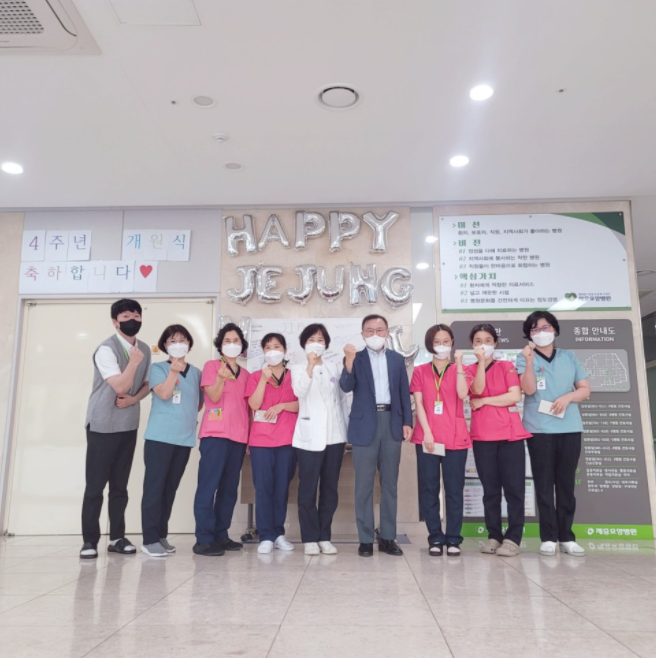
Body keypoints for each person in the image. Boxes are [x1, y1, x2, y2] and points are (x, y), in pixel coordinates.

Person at [516, 311, 590, 557]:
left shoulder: (569, 356)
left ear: (555, 330)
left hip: (569, 428)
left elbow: (585, 389)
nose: (541, 332)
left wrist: (568, 397)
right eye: (535, 329)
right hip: (539, 429)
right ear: (529, 334)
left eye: (545, 327)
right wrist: (529, 362)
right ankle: (548, 537)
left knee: (566, 484)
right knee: (544, 484)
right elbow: (528, 389)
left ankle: (567, 537)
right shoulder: (523, 357)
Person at [80, 298, 151, 559]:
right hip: (102, 425)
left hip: (128, 424)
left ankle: (117, 538)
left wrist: (134, 400)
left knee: (120, 486)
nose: (132, 320)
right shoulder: (106, 349)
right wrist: (132, 362)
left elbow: (146, 385)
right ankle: (89, 541)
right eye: (126, 317)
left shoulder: (144, 348)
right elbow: (120, 385)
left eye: (136, 316)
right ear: (115, 321)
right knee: (95, 486)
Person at [340, 314, 413, 558]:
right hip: (364, 425)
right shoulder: (355, 358)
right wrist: (349, 362)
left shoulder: (396, 359)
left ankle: (388, 537)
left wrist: (407, 422)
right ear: (362, 334)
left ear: (387, 332)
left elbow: (403, 392)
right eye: (369, 330)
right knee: (363, 485)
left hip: (391, 422)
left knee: (390, 483)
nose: (374, 334)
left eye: (379, 330)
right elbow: (346, 386)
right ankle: (365, 539)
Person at [465, 323, 532, 558]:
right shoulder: (469, 370)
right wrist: (481, 364)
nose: (483, 345)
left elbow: (514, 396)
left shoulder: (506, 366)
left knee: (514, 489)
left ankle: (513, 538)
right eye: (478, 341)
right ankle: (494, 535)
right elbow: (477, 389)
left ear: (495, 343)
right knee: (490, 490)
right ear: (472, 345)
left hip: (510, 436)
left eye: (488, 340)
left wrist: (484, 401)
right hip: (483, 437)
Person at [410, 324, 471, 557]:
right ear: (430, 344)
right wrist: (427, 432)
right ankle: (435, 537)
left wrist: (459, 365)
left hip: (455, 437)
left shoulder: (461, 369)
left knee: (454, 490)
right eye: (437, 342)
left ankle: (454, 538)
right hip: (428, 437)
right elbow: (419, 403)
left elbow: (463, 394)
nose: (442, 345)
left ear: (452, 342)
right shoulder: (420, 371)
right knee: (429, 489)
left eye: (446, 341)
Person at [141, 325, 201, 557]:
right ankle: (149, 539)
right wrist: (173, 373)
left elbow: (197, 403)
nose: (178, 344)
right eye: (172, 340)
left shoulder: (196, 373)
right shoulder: (158, 368)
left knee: (169, 489)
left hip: (184, 439)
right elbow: (165, 394)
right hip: (160, 438)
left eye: (182, 340)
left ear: (189, 344)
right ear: (165, 345)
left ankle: (161, 535)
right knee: (154, 489)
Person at [193, 323, 250, 557]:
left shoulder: (246, 375)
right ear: (220, 345)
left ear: (242, 346)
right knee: (208, 486)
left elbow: (249, 409)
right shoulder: (212, 366)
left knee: (228, 489)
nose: (232, 344)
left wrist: (249, 440)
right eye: (227, 341)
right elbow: (213, 397)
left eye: (236, 341)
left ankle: (221, 534)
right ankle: (204, 539)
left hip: (238, 437)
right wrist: (220, 378)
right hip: (215, 436)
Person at [291, 323, 347, 556]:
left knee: (330, 490)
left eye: (321, 340)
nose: (316, 343)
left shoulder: (334, 367)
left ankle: (324, 536)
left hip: (335, 436)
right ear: (304, 344)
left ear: (326, 344)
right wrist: (310, 366)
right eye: (312, 339)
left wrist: (345, 430)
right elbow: (299, 392)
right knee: (307, 489)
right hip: (309, 437)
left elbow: (341, 400)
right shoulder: (297, 368)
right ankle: (309, 538)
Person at [246, 333, 299, 554]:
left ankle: (278, 534)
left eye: (276, 346)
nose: (272, 351)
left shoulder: (294, 375)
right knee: (263, 488)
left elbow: (301, 404)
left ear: (284, 350)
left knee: (281, 488)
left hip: (287, 439)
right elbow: (254, 404)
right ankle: (265, 535)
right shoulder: (255, 376)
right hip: (261, 441)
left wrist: (282, 406)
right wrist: (263, 380)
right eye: (267, 347)